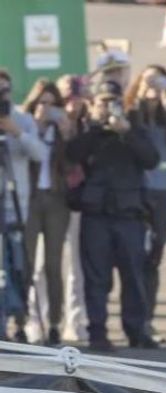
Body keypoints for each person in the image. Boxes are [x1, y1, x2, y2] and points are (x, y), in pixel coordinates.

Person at [65, 81, 160, 352]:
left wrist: (126, 132)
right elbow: (73, 154)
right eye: (102, 102)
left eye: (113, 102)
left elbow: (151, 158)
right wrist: (96, 127)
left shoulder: (134, 128)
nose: (108, 108)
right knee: (96, 278)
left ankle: (136, 330)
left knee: (133, 275)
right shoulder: (89, 131)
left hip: (129, 214)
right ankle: (98, 331)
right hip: (96, 214)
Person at [125, 65, 166, 343]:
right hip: (139, 192)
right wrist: (140, 103)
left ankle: (147, 319)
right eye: (149, 82)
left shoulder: (164, 115)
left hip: (163, 193)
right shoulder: (132, 114)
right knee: (135, 258)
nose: (154, 89)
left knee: (154, 258)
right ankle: (135, 321)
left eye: (160, 83)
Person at [22, 79, 74, 346]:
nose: (46, 109)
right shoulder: (24, 126)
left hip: (56, 200)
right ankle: (23, 320)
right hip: (30, 200)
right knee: (26, 262)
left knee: (53, 264)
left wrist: (66, 135)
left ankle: (54, 322)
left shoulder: (62, 130)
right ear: (33, 104)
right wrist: (37, 126)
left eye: (53, 105)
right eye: (42, 103)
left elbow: (74, 163)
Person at [0, 69, 47, 341]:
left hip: (17, 206)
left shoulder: (22, 120)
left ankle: (20, 319)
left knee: (18, 264)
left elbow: (41, 153)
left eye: (5, 90)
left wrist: (17, 133)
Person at [55, 74, 90, 343]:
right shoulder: (49, 124)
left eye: (76, 99)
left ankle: (75, 321)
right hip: (51, 200)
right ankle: (39, 319)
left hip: (79, 201)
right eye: (66, 99)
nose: (71, 105)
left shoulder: (88, 126)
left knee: (75, 267)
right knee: (46, 265)